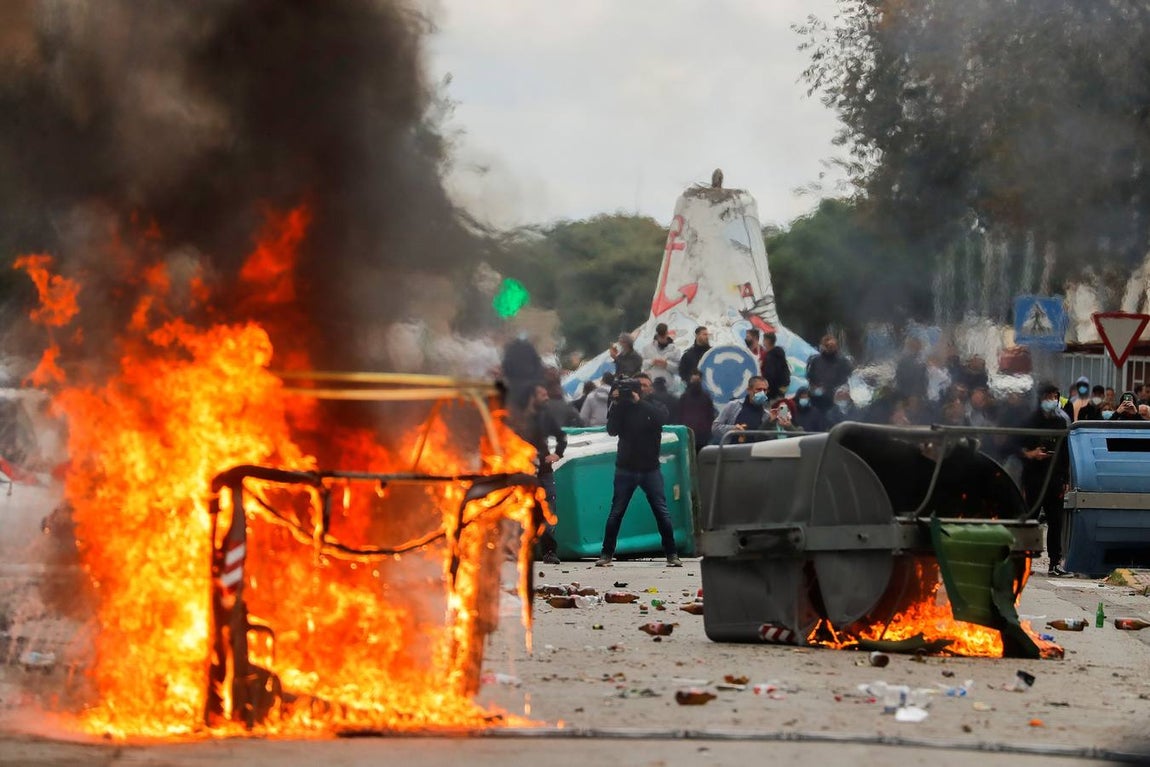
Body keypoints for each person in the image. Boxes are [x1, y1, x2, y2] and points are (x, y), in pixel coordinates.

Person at [596, 373, 681, 568]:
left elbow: (661, 419)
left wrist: (639, 402)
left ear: (650, 388)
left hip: (650, 469)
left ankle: (672, 553)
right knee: (616, 512)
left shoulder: (656, 406)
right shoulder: (622, 407)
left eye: (645, 385)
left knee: (662, 512)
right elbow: (611, 430)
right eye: (638, 385)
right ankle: (606, 553)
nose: (641, 388)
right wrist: (616, 403)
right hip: (625, 469)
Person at [1018, 383, 1070, 577]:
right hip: (1034, 477)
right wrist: (1031, 454)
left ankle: (1055, 563)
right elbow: (1017, 447)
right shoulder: (1029, 421)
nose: (1052, 400)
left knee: (1056, 521)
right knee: (1030, 520)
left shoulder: (1060, 422)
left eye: (1054, 396)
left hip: (1054, 478)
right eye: (1048, 396)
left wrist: (1065, 478)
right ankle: (1025, 561)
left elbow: (1064, 451)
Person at [512, 384, 568, 565]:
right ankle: (519, 551)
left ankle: (549, 551)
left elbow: (561, 436)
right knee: (519, 511)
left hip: (544, 473)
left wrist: (558, 453)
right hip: (523, 472)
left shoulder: (545, 416)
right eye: (542, 394)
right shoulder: (517, 418)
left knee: (548, 511)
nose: (546, 397)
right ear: (531, 397)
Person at [711, 376, 772, 443]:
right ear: (749, 390)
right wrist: (733, 429)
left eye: (765, 390)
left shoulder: (766, 414)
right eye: (758, 389)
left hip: (754, 449)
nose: (762, 393)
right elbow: (715, 427)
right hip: (732, 448)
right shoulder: (733, 406)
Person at [806, 334, 853, 411]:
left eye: (832, 346)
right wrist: (815, 388)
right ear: (822, 346)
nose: (830, 348)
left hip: (837, 401)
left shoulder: (843, 362)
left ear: (836, 346)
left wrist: (841, 391)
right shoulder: (815, 361)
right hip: (818, 400)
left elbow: (848, 380)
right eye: (827, 346)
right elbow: (810, 378)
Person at [677, 370, 715, 452]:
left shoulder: (684, 397)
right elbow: (711, 415)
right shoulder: (706, 397)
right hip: (700, 434)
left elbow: (679, 416)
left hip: (689, 433)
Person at [641, 323, 682, 391]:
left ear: (667, 333)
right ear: (657, 335)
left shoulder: (675, 350)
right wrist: (652, 361)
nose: (662, 338)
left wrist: (666, 364)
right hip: (650, 386)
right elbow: (642, 365)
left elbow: (678, 370)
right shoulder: (647, 348)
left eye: (663, 335)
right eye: (660, 335)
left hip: (668, 387)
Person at [760, 331, 790, 400]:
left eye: (764, 340)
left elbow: (770, 374)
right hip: (781, 388)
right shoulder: (779, 354)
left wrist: (766, 388)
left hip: (773, 391)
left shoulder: (771, 356)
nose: (763, 342)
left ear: (767, 341)